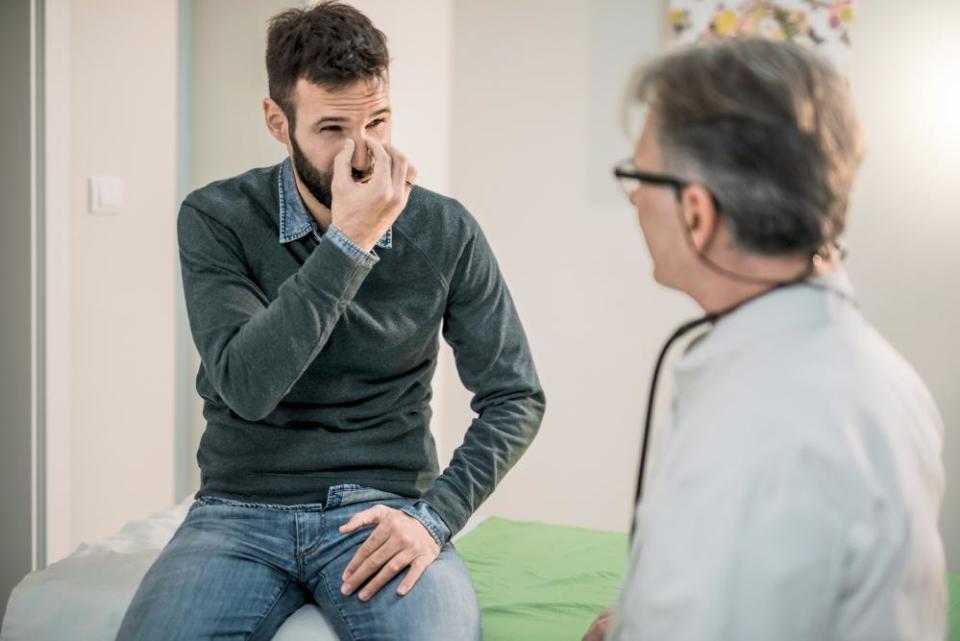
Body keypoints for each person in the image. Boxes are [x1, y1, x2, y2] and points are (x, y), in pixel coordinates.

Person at [116, 3, 545, 640]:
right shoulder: (216, 218)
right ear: (276, 121)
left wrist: (434, 520)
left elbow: (515, 396)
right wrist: (348, 243)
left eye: (377, 120)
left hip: (384, 509)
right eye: (332, 128)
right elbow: (247, 386)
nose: (362, 151)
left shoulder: (445, 229)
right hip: (238, 511)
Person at [583, 38, 945, 641]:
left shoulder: (764, 432)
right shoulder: (863, 369)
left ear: (697, 214)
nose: (635, 198)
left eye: (637, 175)